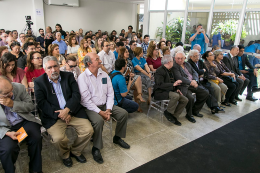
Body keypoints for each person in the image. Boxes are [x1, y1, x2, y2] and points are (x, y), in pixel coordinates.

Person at [34, 56, 93, 168]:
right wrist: (61, 114)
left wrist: (68, 111)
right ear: (45, 69)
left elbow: (76, 95)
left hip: (72, 112)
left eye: (55, 66)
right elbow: (42, 104)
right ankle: (65, 155)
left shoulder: (68, 76)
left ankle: (75, 151)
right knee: (58, 139)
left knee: (88, 131)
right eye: (49, 67)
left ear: (59, 66)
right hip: (53, 116)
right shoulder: (39, 82)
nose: (53, 70)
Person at [77, 53, 130, 164]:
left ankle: (117, 137)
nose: (100, 61)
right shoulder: (82, 78)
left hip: (105, 105)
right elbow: (85, 101)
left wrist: (109, 109)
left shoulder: (104, 75)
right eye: (97, 59)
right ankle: (96, 148)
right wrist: (101, 112)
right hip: (90, 107)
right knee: (99, 120)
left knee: (123, 113)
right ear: (89, 63)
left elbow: (110, 94)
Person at [0, 76, 42, 173]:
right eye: (6, 94)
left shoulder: (19, 87)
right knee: (8, 149)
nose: (11, 93)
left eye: (11, 89)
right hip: (6, 129)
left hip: (24, 122)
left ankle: (35, 170)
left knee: (36, 136)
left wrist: (13, 104)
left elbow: (30, 106)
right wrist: (6, 132)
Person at [173, 51, 209, 123]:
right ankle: (189, 115)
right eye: (178, 58)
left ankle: (195, 110)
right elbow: (180, 78)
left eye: (181, 58)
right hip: (183, 86)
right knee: (191, 98)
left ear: (185, 58)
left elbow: (195, 72)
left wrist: (195, 80)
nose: (180, 60)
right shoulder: (174, 66)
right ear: (175, 58)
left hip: (193, 83)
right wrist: (191, 82)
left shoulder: (187, 64)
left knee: (205, 93)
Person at [153, 55, 189, 125]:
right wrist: (172, 85)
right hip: (160, 92)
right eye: (172, 61)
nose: (173, 62)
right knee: (175, 96)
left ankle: (174, 116)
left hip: (170, 90)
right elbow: (160, 84)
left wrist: (177, 88)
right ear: (169, 62)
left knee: (185, 100)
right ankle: (168, 112)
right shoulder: (159, 70)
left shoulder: (170, 70)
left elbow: (174, 82)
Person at [118, 47, 146, 112]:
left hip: (130, 79)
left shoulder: (130, 61)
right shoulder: (119, 62)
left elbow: (132, 71)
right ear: (122, 53)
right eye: (126, 52)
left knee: (137, 79)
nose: (128, 53)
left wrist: (132, 74)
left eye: (128, 52)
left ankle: (138, 99)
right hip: (123, 81)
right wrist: (127, 75)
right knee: (138, 80)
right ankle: (139, 98)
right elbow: (118, 73)